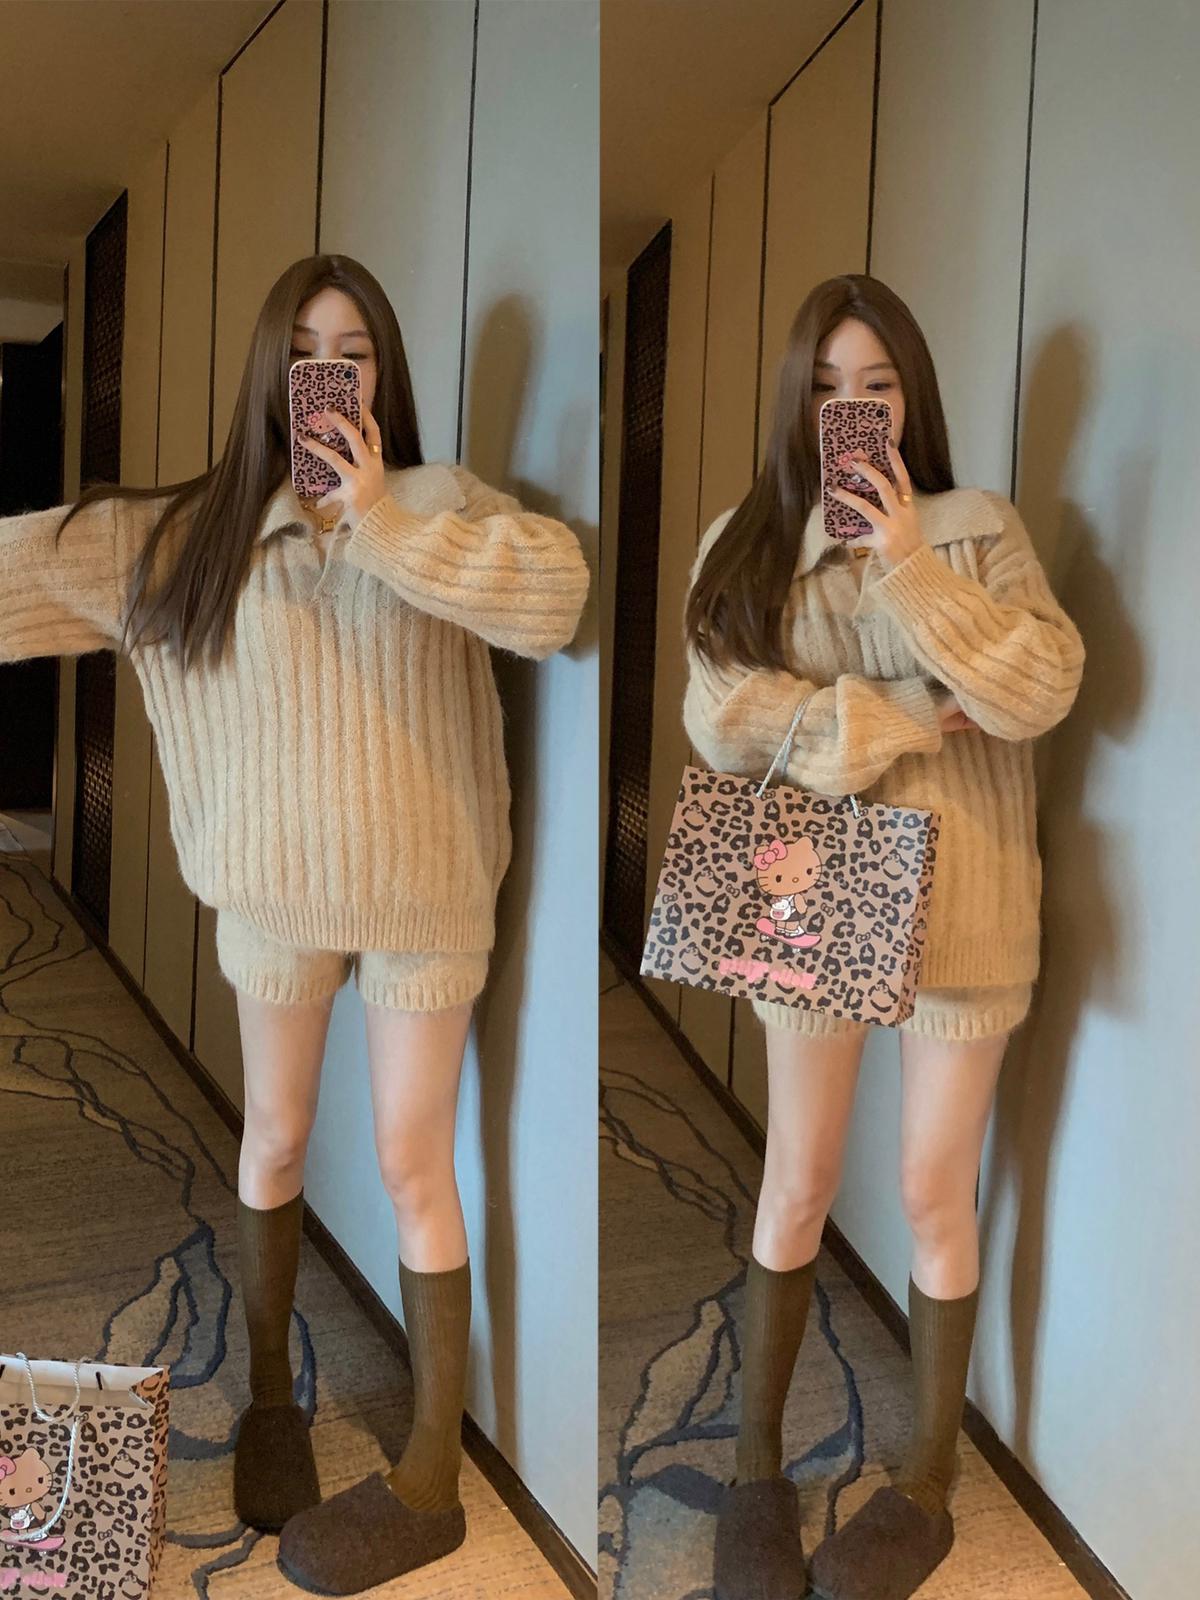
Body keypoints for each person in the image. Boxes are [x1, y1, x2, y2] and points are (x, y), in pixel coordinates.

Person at [0, 253, 590, 1595]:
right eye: (307, 352)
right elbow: (21, 570)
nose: (331, 374)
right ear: (270, 373)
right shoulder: (198, 530)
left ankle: (432, 1473)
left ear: (385, 374)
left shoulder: (444, 504)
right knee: (272, 1133)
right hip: (274, 895)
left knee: (414, 1159)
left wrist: (380, 515)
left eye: (355, 352)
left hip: (431, 898)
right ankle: (270, 1393)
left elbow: (552, 599)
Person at [682, 273, 1084, 1600]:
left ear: (912, 399)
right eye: (826, 389)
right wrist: (909, 708)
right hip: (812, 896)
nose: (850, 411)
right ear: (794, 404)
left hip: (969, 902)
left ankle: (926, 1482)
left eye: (877, 387)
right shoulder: (744, 543)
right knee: (797, 1177)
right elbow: (723, 722)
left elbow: (1037, 689)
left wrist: (910, 566)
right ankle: (754, 1467)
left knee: (928, 1190)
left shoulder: (977, 531)